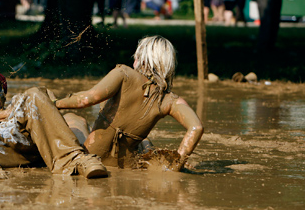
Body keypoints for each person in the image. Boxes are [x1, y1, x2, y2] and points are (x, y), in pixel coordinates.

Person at [53, 36, 204, 172]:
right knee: (145, 141)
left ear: (142, 59)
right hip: (128, 167)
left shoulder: (123, 74)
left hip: (93, 157)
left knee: (74, 118)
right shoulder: (169, 100)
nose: (134, 62)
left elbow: (85, 100)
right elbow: (196, 127)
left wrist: (55, 103)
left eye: (136, 57)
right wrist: (176, 165)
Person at [0, 69, 108, 180]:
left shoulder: (18, 103)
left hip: (29, 144)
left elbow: (38, 105)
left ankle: (79, 159)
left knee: (38, 96)